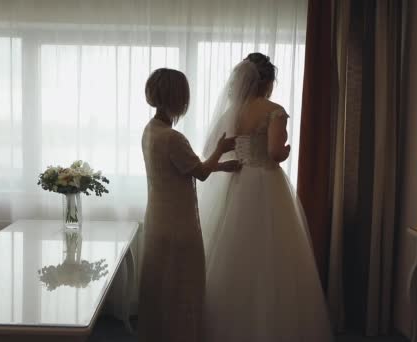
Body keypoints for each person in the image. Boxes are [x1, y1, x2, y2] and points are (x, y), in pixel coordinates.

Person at [199, 53, 333, 341]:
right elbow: (274, 152)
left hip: (237, 181)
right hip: (266, 183)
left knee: (234, 249)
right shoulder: (274, 110)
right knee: (273, 253)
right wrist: (285, 151)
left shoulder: (232, 111)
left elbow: (213, 145)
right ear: (269, 82)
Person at [138, 68, 241, 342]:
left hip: (158, 218)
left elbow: (180, 169)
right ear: (179, 99)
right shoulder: (174, 138)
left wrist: (220, 165)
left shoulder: (150, 131)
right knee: (184, 286)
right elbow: (201, 172)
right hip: (179, 224)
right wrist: (221, 148)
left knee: (162, 285)